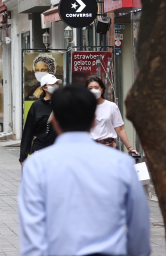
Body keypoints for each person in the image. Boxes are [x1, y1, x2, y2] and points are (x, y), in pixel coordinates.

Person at [18, 85, 150, 256]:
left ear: (55, 121)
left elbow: (32, 237)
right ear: (94, 120)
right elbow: (139, 225)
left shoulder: (36, 166)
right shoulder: (121, 164)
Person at [87, 76, 138, 153]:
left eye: (96, 87)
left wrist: (129, 148)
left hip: (108, 146)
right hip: (89, 146)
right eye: (90, 88)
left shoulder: (111, 106)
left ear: (102, 89)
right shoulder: (83, 107)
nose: (93, 90)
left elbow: (120, 129)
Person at [19, 74, 62, 165]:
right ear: (44, 87)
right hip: (40, 149)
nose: (56, 86)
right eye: (52, 84)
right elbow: (28, 131)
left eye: (57, 84)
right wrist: (23, 156)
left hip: (59, 150)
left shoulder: (63, 104)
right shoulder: (36, 106)